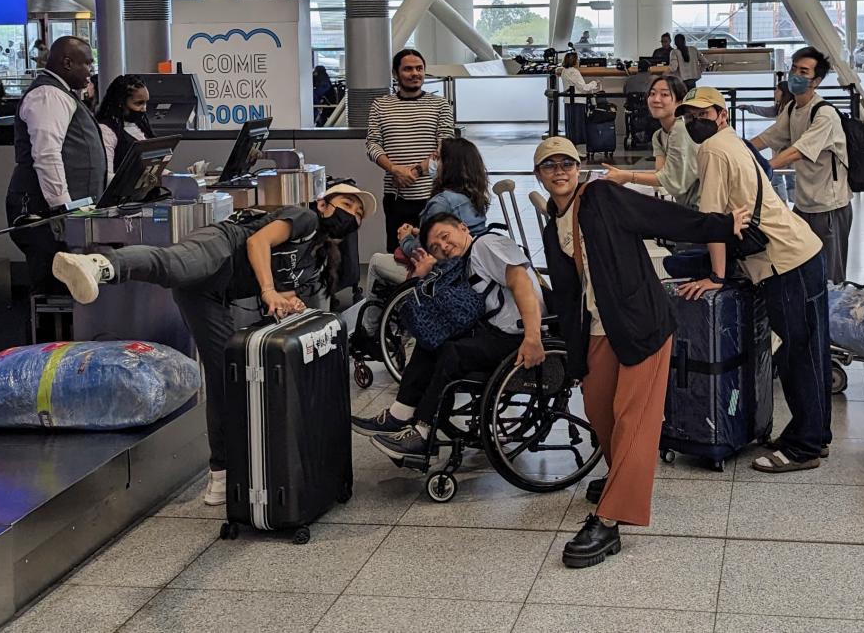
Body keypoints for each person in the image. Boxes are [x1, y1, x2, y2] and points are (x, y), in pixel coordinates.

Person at [54, 182, 374, 505]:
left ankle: (221, 473)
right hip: (220, 246)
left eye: (359, 215)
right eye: (348, 204)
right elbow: (258, 242)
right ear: (325, 204)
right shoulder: (304, 218)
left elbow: (283, 290)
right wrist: (267, 290)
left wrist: (288, 302)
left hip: (213, 296)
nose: (353, 215)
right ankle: (100, 266)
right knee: (173, 265)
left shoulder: (313, 258)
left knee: (225, 381)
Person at [534, 136, 749, 567]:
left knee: (634, 419)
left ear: (578, 167)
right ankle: (621, 479)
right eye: (549, 165)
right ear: (538, 173)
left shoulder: (600, 197)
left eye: (567, 163)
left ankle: (611, 518)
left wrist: (720, 226)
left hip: (641, 324)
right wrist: (573, 356)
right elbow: (567, 293)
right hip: (599, 328)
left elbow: (661, 216)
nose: (560, 171)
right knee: (600, 411)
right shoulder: (553, 222)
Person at [674, 87, 830, 473]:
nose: (695, 121)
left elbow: (713, 222)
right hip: (801, 252)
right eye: (689, 116)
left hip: (785, 262)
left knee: (798, 354)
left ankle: (806, 446)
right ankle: (812, 434)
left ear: (721, 114)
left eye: (702, 114)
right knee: (810, 351)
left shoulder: (711, 150)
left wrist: (716, 276)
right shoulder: (733, 141)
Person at [353, 211, 546, 462]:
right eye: (436, 246)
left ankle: (423, 433)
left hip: (516, 335)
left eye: (445, 236)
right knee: (431, 340)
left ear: (463, 228)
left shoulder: (486, 245)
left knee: (451, 353)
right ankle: (399, 415)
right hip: (495, 331)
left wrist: (533, 337)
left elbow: (520, 281)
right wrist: (424, 274)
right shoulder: (466, 259)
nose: (443, 246)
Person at [5, 37, 107, 300]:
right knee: (52, 290)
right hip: (43, 212)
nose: (91, 71)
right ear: (67, 62)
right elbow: (47, 156)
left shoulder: (62, 94)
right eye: (87, 63)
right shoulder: (48, 95)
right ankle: (49, 342)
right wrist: (63, 209)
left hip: (60, 212)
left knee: (64, 287)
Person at [750, 48, 852, 284]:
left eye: (803, 71)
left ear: (816, 81)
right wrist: (738, 150)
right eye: (794, 68)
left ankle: (832, 318)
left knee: (830, 277)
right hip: (805, 203)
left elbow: (798, 150)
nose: (795, 74)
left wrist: (765, 167)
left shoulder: (824, 114)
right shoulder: (793, 108)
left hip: (828, 206)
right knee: (803, 266)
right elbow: (769, 137)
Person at [362, 135, 492, 297]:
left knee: (376, 261)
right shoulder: (473, 198)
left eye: (437, 157)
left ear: (449, 165)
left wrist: (405, 239)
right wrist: (419, 232)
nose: (431, 162)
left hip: (442, 273)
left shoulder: (441, 202)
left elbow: (419, 251)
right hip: (470, 268)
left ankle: (370, 322)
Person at [366, 48, 455, 249]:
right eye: (408, 69)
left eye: (419, 68)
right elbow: (372, 144)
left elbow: (446, 146)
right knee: (397, 254)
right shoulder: (381, 105)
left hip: (434, 196)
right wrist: (394, 169)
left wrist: (414, 171)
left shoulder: (440, 105)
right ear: (396, 73)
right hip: (396, 196)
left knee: (435, 253)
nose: (415, 73)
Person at [600, 74, 701, 207]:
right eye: (652, 94)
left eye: (664, 95)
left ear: (679, 102)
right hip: (687, 206)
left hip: (703, 207)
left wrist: (627, 176)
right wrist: (622, 175)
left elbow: (671, 180)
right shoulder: (659, 136)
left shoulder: (680, 129)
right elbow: (661, 175)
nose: (656, 99)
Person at [94, 74, 151, 175]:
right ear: (121, 103)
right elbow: (108, 176)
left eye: (146, 103)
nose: (144, 109)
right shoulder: (107, 130)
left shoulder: (141, 125)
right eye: (138, 103)